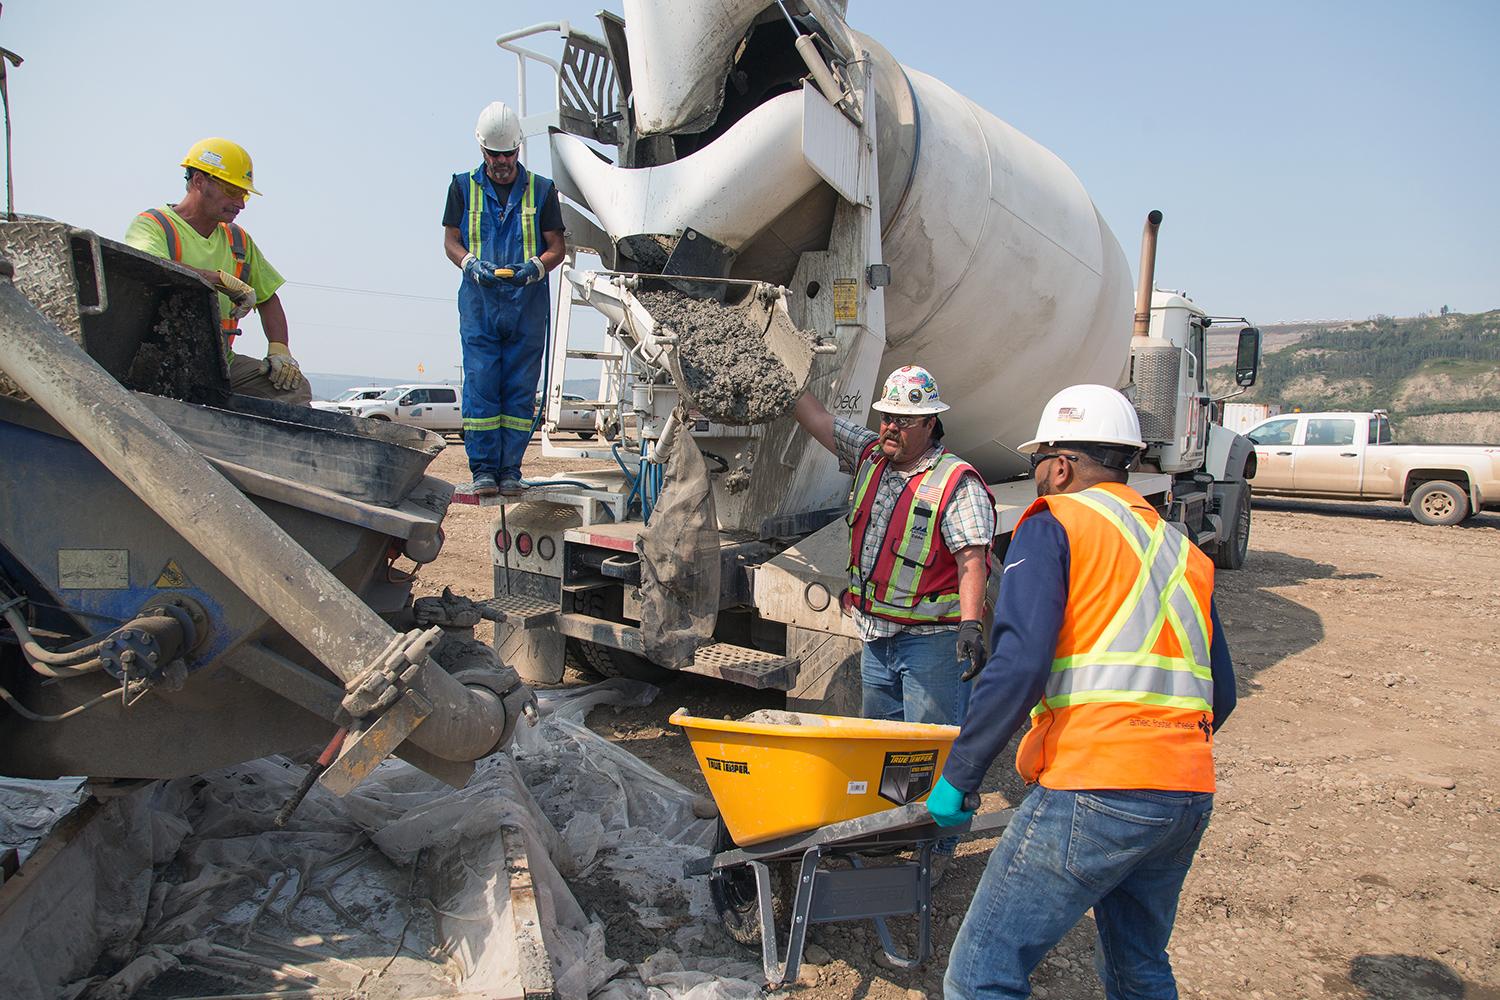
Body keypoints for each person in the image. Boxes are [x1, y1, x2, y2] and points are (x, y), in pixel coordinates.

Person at [926, 383, 1238, 1000]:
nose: (1037, 476)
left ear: (1060, 465)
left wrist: (959, 777)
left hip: (1094, 785)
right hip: (1185, 793)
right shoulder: (1181, 550)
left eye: (1037, 463)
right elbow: (1220, 693)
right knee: (1137, 969)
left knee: (981, 974)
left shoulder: (1057, 523)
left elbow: (1017, 666)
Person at [793, 365, 996, 881]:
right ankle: (892, 830)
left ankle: (937, 850)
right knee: (883, 750)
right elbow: (818, 420)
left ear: (930, 423)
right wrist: (785, 379)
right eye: (887, 416)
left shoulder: (955, 481)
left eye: (904, 420)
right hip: (877, 637)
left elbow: (972, 558)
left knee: (931, 747)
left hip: (930, 641)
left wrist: (971, 625)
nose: (891, 427)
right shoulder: (869, 457)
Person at [125, 137, 310, 404]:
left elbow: (268, 297)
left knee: (292, 389)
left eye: (244, 193)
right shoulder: (154, 225)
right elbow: (149, 266)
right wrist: (221, 281)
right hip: (157, 358)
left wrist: (279, 349)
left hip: (220, 364)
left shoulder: (238, 241)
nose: (241, 203)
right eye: (233, 191)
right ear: (199, 181)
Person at [442, 101, 567, 497]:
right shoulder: (461, 187)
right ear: (481, 149)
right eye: (494, 154)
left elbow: (556, 246)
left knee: (518, 389)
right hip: (479, 304)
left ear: (518, 148)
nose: (501, 162)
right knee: (481, 385)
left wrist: (535, 267)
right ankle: (483, 470)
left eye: (508, 154)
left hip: (526, 307)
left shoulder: (542, 190)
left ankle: (510, 469)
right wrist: (469, 264)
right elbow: (450, 241)